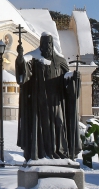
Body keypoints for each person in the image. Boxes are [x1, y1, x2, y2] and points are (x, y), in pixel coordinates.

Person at [15, 33, 81, 161]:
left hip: (56, 100)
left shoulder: (60, 61)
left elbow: (66, 80)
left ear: (52, 44)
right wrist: (20, 57)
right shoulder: (34, 59)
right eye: (45, 44)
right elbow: (24, 73)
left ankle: (60, 151)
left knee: (59, 123)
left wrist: (74, 78)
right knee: (42, 127)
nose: (47, 46)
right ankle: (42, 153)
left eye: (50, 43)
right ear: (41, 44)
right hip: (40, 101)